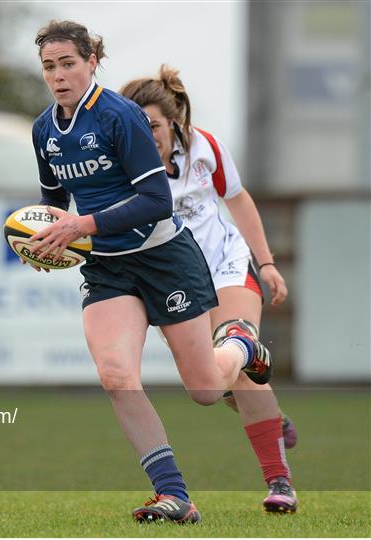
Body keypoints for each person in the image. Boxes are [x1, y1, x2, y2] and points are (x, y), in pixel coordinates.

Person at [27, 20, 274, 524]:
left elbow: (157, 200)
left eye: (68, 63)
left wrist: (83, 223)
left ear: (92, 61)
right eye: (49, 66)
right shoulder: (44, 129)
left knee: (205, 390)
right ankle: (174, 496)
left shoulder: (120, 117)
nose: (58, 75)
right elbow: (54, 201)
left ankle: (243, 345)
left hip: (164, 256)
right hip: (107, 268)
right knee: (117, 376)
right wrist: (47, 237)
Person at [120, 65, 298, 513]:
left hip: (227, 266)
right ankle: (269, 413)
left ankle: (280, 482)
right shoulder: (118, 165)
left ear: (173, 124)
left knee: (233, 355)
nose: (147, 135)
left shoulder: (204, 148)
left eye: (154, 126)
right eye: (137, 126)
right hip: (174, 281)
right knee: (212, 385)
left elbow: (238, 199)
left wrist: (268, 263)